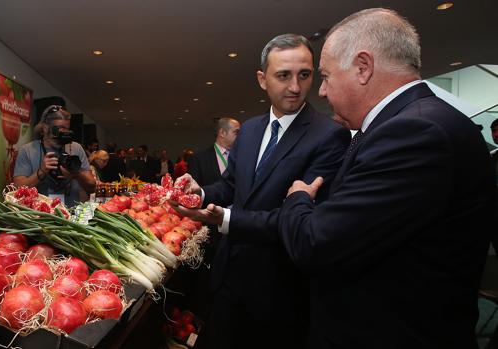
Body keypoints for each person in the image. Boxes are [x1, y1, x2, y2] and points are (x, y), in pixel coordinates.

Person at [276, 9, 495, 348]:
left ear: (363, 68)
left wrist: (298, 198)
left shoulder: (414, 133)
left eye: (326, 76)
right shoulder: (408, 124)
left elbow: (316, 244)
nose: (321, 91)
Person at [173, 34, 350, 348]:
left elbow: (300, 219)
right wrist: (198, 192)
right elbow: (230, 185)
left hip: (279, 287)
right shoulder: (251, 128)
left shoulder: (330, 136)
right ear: (262, 79)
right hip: (229, 277)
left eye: (304, 75)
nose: (295, 87)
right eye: (283, 75)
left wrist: (225, 219)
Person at [13, 105, 96, 207]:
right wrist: (41, 171)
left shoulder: (76, 148)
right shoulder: (27, 150)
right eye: (59, 128)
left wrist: (76, 174)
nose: (63, 133)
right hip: (40, 216)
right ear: (45, 127)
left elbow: (92, 187)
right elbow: (18, 189)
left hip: (71, 213)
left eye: (66, 129)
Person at [189, 118, 241, 187]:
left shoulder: (241, 156)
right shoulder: (199, 159)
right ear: (222, 133)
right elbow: (194, 190)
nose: (240, 136)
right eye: (236, 132)